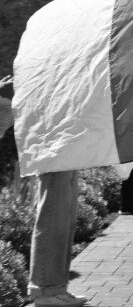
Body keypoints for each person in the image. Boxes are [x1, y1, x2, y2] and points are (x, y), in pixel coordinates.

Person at [0, 76, 87, 307]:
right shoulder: (41, 67)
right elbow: (10, 93)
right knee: (54, 216)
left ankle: (55, 288)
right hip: (51, 144)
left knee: (63, 217)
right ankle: (46, 290)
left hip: (63, 140)